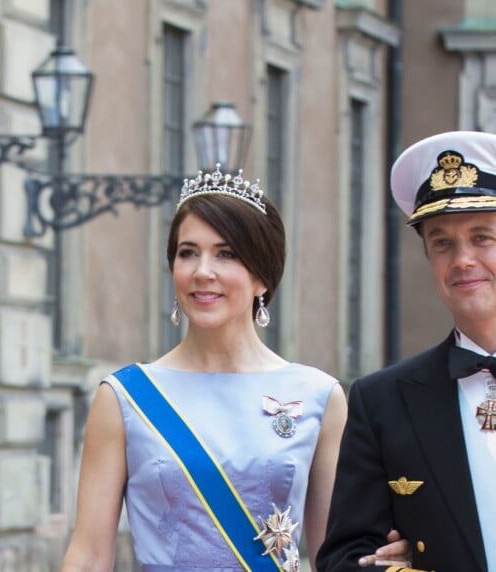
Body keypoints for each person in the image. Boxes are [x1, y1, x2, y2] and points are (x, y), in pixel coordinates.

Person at [61, 165, 408, 571]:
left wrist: (397, 556)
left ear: (263, 276)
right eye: (188, 252)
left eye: (226, 254)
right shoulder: (125, 397)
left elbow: (337, 555)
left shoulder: (319, 396)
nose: (202, 271)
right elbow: (88, 555)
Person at [316, 130, 496, 572]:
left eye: (482, 237)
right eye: (442, 243)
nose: (462, 260)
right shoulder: (383, 401)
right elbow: (343, 558)